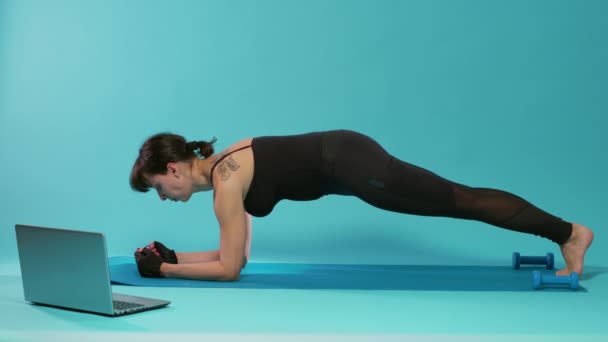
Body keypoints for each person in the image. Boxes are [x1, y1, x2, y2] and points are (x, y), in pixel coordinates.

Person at [129, 129, 594, 281]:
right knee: (459, 201)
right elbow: (237, 256)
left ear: (173, 170)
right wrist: (172, 256)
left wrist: (165, 272)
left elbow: (230, 270)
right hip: (349, 159)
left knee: (460, 201)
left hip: (352, 165)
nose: (164, 199)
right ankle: (566, 233)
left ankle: (570, 233)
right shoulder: (226, 170)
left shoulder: (228, 183)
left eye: (158, 188)